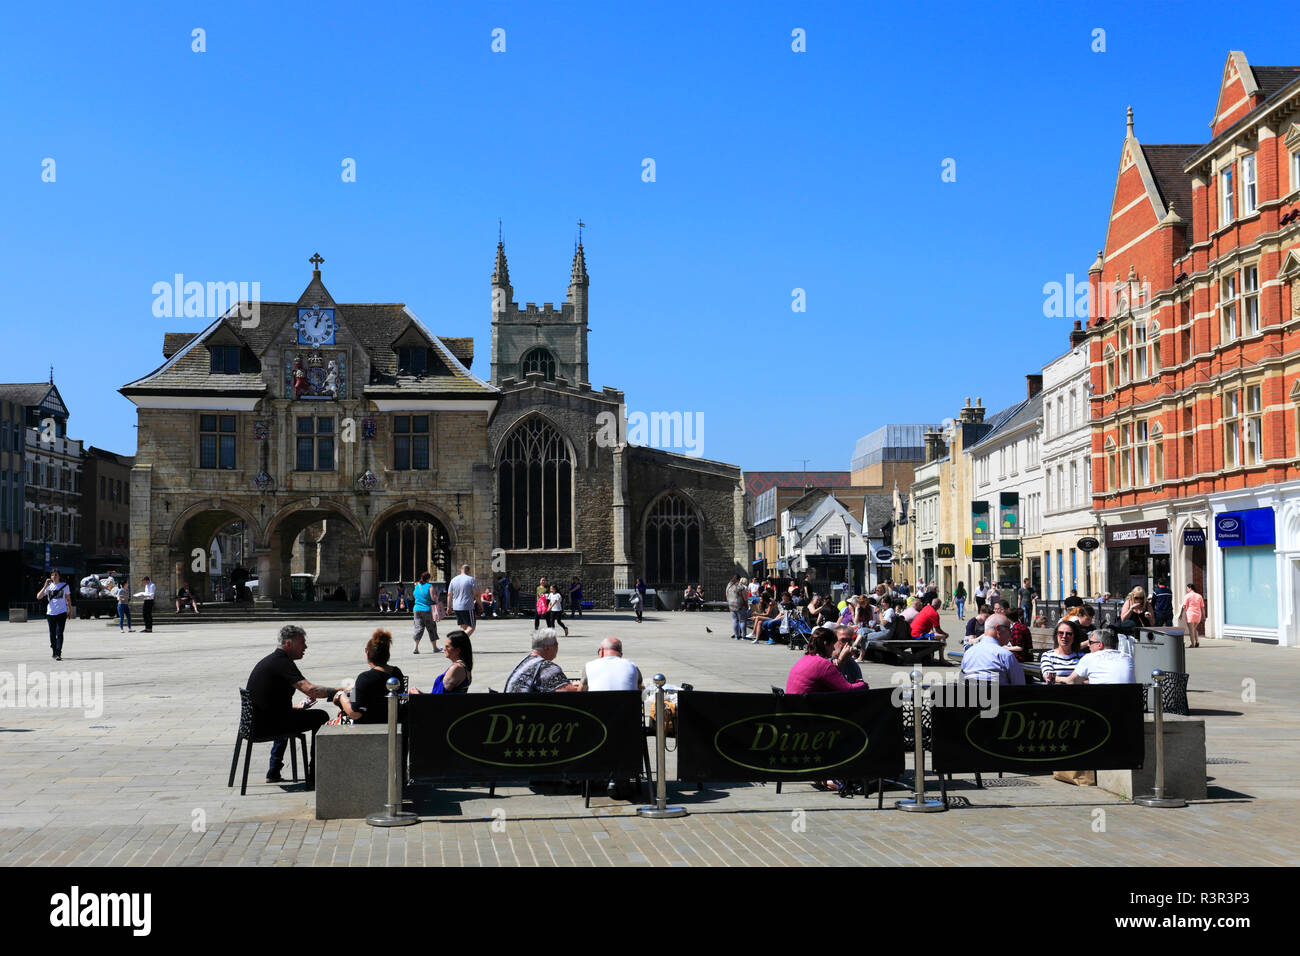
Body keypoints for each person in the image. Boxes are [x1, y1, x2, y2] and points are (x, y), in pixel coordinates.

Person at [246, 625, 338, 783]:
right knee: (321, 716)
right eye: (302, 642)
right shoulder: (282, 662)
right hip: (267, 725)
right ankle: (314, 774)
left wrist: (295, 708)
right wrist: (338, 691)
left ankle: (274, 770)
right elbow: (310, 690)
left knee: (290, 716)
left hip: (258, 722)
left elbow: (272, 703)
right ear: (289, 644)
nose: (305, 647)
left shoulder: (274, 660)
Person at [332, 629, 407, 723]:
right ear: (387, 654)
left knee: (328, 723)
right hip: (392, 722)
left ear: (367, 653)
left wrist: (341, 695)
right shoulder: (397, 673)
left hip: (369, 727)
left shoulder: (365, 678)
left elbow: (355, 713)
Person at [785, 627, 868, 693]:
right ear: (826, 644)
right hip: (806, 709)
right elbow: (847, 689)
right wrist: (863, 684)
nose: (833, 649)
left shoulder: (806, 658)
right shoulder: (823, 664)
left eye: (849, 641)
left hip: (794, 705)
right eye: (832, 644)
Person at [505, 629, 581, 693]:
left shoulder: (526, 661)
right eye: (556, 644)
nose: (558, 647)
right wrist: (581, 685)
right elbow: (568, 693)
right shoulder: (547, 667)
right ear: (547, 648)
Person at [959, 614, 1025, 685]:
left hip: (970, 695)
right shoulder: (1005, 656)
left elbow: (962, 681)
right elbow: (1020, 685)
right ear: (998, 629)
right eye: (1009, 629)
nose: (1011, 633)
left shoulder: (968, 653)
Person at [1060, 629, 1134, 684]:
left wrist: (1056, 678)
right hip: (1128, 701)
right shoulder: (1127, 657)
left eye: (1090, 642)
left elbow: (1071, 681)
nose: (1088, 645)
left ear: (1100, 645)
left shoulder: (1090, 657)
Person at [578, 637, 644, 691]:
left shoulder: (589, 666)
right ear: (621, 654)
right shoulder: (632, 666)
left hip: (597, 707)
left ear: (601, 651)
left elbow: (581, 691)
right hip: (627, 706)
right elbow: (640, 688)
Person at [38, 570, 71, 661]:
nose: (54, 576)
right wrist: (45, 586)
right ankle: (54, 651)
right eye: (52, 575)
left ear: (59, 576)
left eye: (56, 575)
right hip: (50, 613)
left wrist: (70, 610)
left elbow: (68, 599)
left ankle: (58, 652)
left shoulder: (65, 585)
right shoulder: (48, 587)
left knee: (59, 633)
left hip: (62, 612)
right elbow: (38, 596)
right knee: (52, 633)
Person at [429, 629, 473, 694]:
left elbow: (438, 698)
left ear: (457, 650)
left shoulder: (456, 669)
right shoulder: (465, 666)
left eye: (447, 647)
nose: (444, 649)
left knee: (408, 698)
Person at [448, 564, 478, 637]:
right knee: (472, 627)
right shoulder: (470, 579)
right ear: (468, 571)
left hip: (456, 607)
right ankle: (459, 641)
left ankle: (462, 646)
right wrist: (480, 604)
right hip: (467, 606)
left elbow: (449, 595)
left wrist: (449, 607)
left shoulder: (453, 580)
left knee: (463, 627)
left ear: (461, 570)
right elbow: (476, 594)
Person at [411, 571, 437, 654]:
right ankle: (435, 648)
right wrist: (437, 596)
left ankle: (415, 648)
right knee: (431, 628)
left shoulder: (417, 586)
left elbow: (414, 595)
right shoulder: (430, 586)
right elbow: (433, 599)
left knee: (418, 628)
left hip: (416, 609)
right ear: (428, 578)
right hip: (427, 610)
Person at [1181, 583, 1205, 648]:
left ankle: (1192, 644)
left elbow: (1184, 606)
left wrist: (1181, 614)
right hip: (1198, 615)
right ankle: (1197, 641)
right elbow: (1202, 607)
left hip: (1190, 614)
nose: (1187, 590)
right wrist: (1204, 616)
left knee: (1191, 630)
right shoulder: (1199, 596)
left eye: (1187, 588)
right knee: (1194, 629)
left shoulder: (1187, 596)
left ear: (1190, 588)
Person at [725, 575, 748, 640]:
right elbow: (745, 597)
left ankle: (736, 636)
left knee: (734, 620)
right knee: (742, 620)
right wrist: (746, 604)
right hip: (740, 605)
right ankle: (743, 636)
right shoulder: (740, 586)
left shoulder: (729, 585)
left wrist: (730, 602)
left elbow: (727, 595)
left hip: (731, 605)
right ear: (739, 579)